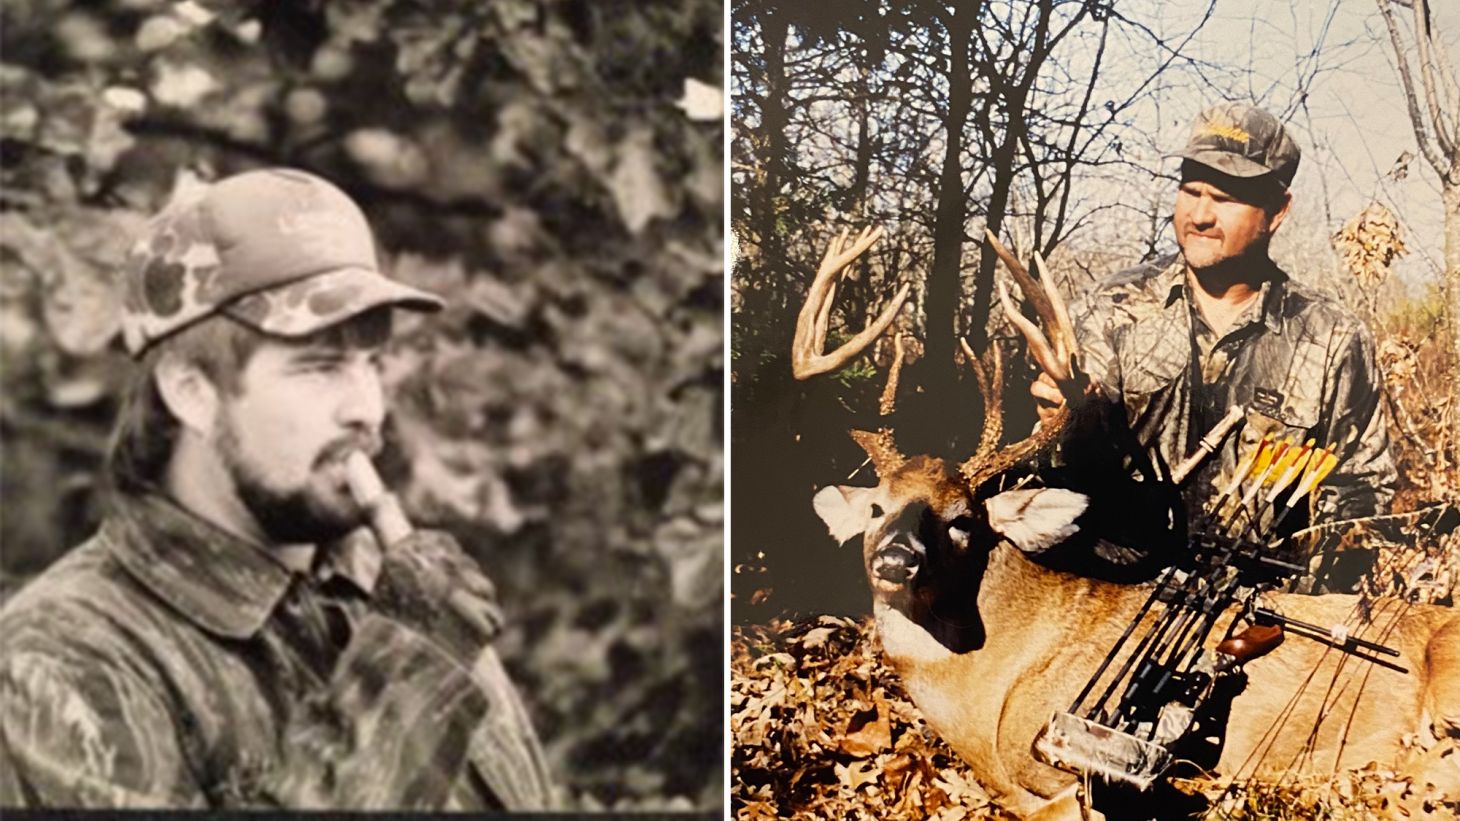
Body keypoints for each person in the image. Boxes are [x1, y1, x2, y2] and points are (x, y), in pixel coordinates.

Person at [0, 169, 556, 809]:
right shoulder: (60, 656)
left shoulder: (402, 597)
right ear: (192, 393)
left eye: (370, 364)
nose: (366, 409)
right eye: (318, 367)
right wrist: (405, 682)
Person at [1030, 103, 1396, 589]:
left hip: (1265, 616)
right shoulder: (1112, 308)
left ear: (1277, 212)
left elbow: (1360, 496)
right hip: (1113, 598)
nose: (1199, 215)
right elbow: (1064, 480)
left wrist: (1306, 603)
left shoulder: (1330, 336)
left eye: (1224, 198)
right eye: (1190, 190)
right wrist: (1062, 424)